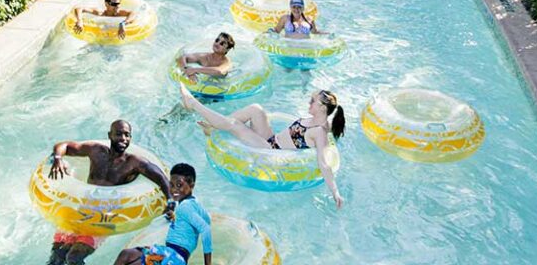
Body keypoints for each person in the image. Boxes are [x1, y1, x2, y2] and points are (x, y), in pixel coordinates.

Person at [180, 84, 345, 208]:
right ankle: (214, 127)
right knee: (256, 109)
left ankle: (193, 104)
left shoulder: (319, 132)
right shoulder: (319, 122)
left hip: (271, 153)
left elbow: (324, 164)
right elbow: (332, 125)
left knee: (235, 125)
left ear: (322, 108)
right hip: (272, 141)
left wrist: (335, 191)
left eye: (313, 101)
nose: (309, 102)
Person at [48, 120, 176, 265]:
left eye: (127, 135)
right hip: (80, 213)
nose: (123, 138)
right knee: (56, 258)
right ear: (110, 135)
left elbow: (162, 179)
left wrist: (170, 201)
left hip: (102, 219)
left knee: (73, 258)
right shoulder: (96, 151)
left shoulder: (133, 163)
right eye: (119, 134)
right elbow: (64, 146)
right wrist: (57, 159)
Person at [114, 163, 212, 265]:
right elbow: (206, 220)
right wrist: (176, 218)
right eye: (171, 185)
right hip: (176, 257)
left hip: (172, 256)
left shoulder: (184, 207)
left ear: (191, 184)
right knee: (128, 255)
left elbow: (205, 229)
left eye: (179, 185)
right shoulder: (195, 204)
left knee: (126, 256)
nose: (174, 190)